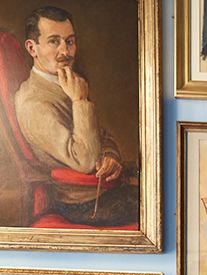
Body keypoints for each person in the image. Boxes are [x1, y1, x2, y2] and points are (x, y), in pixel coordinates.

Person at [14, 5, 138, 227]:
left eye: (70, 41)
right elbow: (86, 161)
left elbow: (101, 136)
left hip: (104, 191)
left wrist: (111, 156)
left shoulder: (66, 83)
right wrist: (80, 101)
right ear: (32, 48)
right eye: (54, 41)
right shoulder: (33, 103)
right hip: (80, 203)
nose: (66, 51)